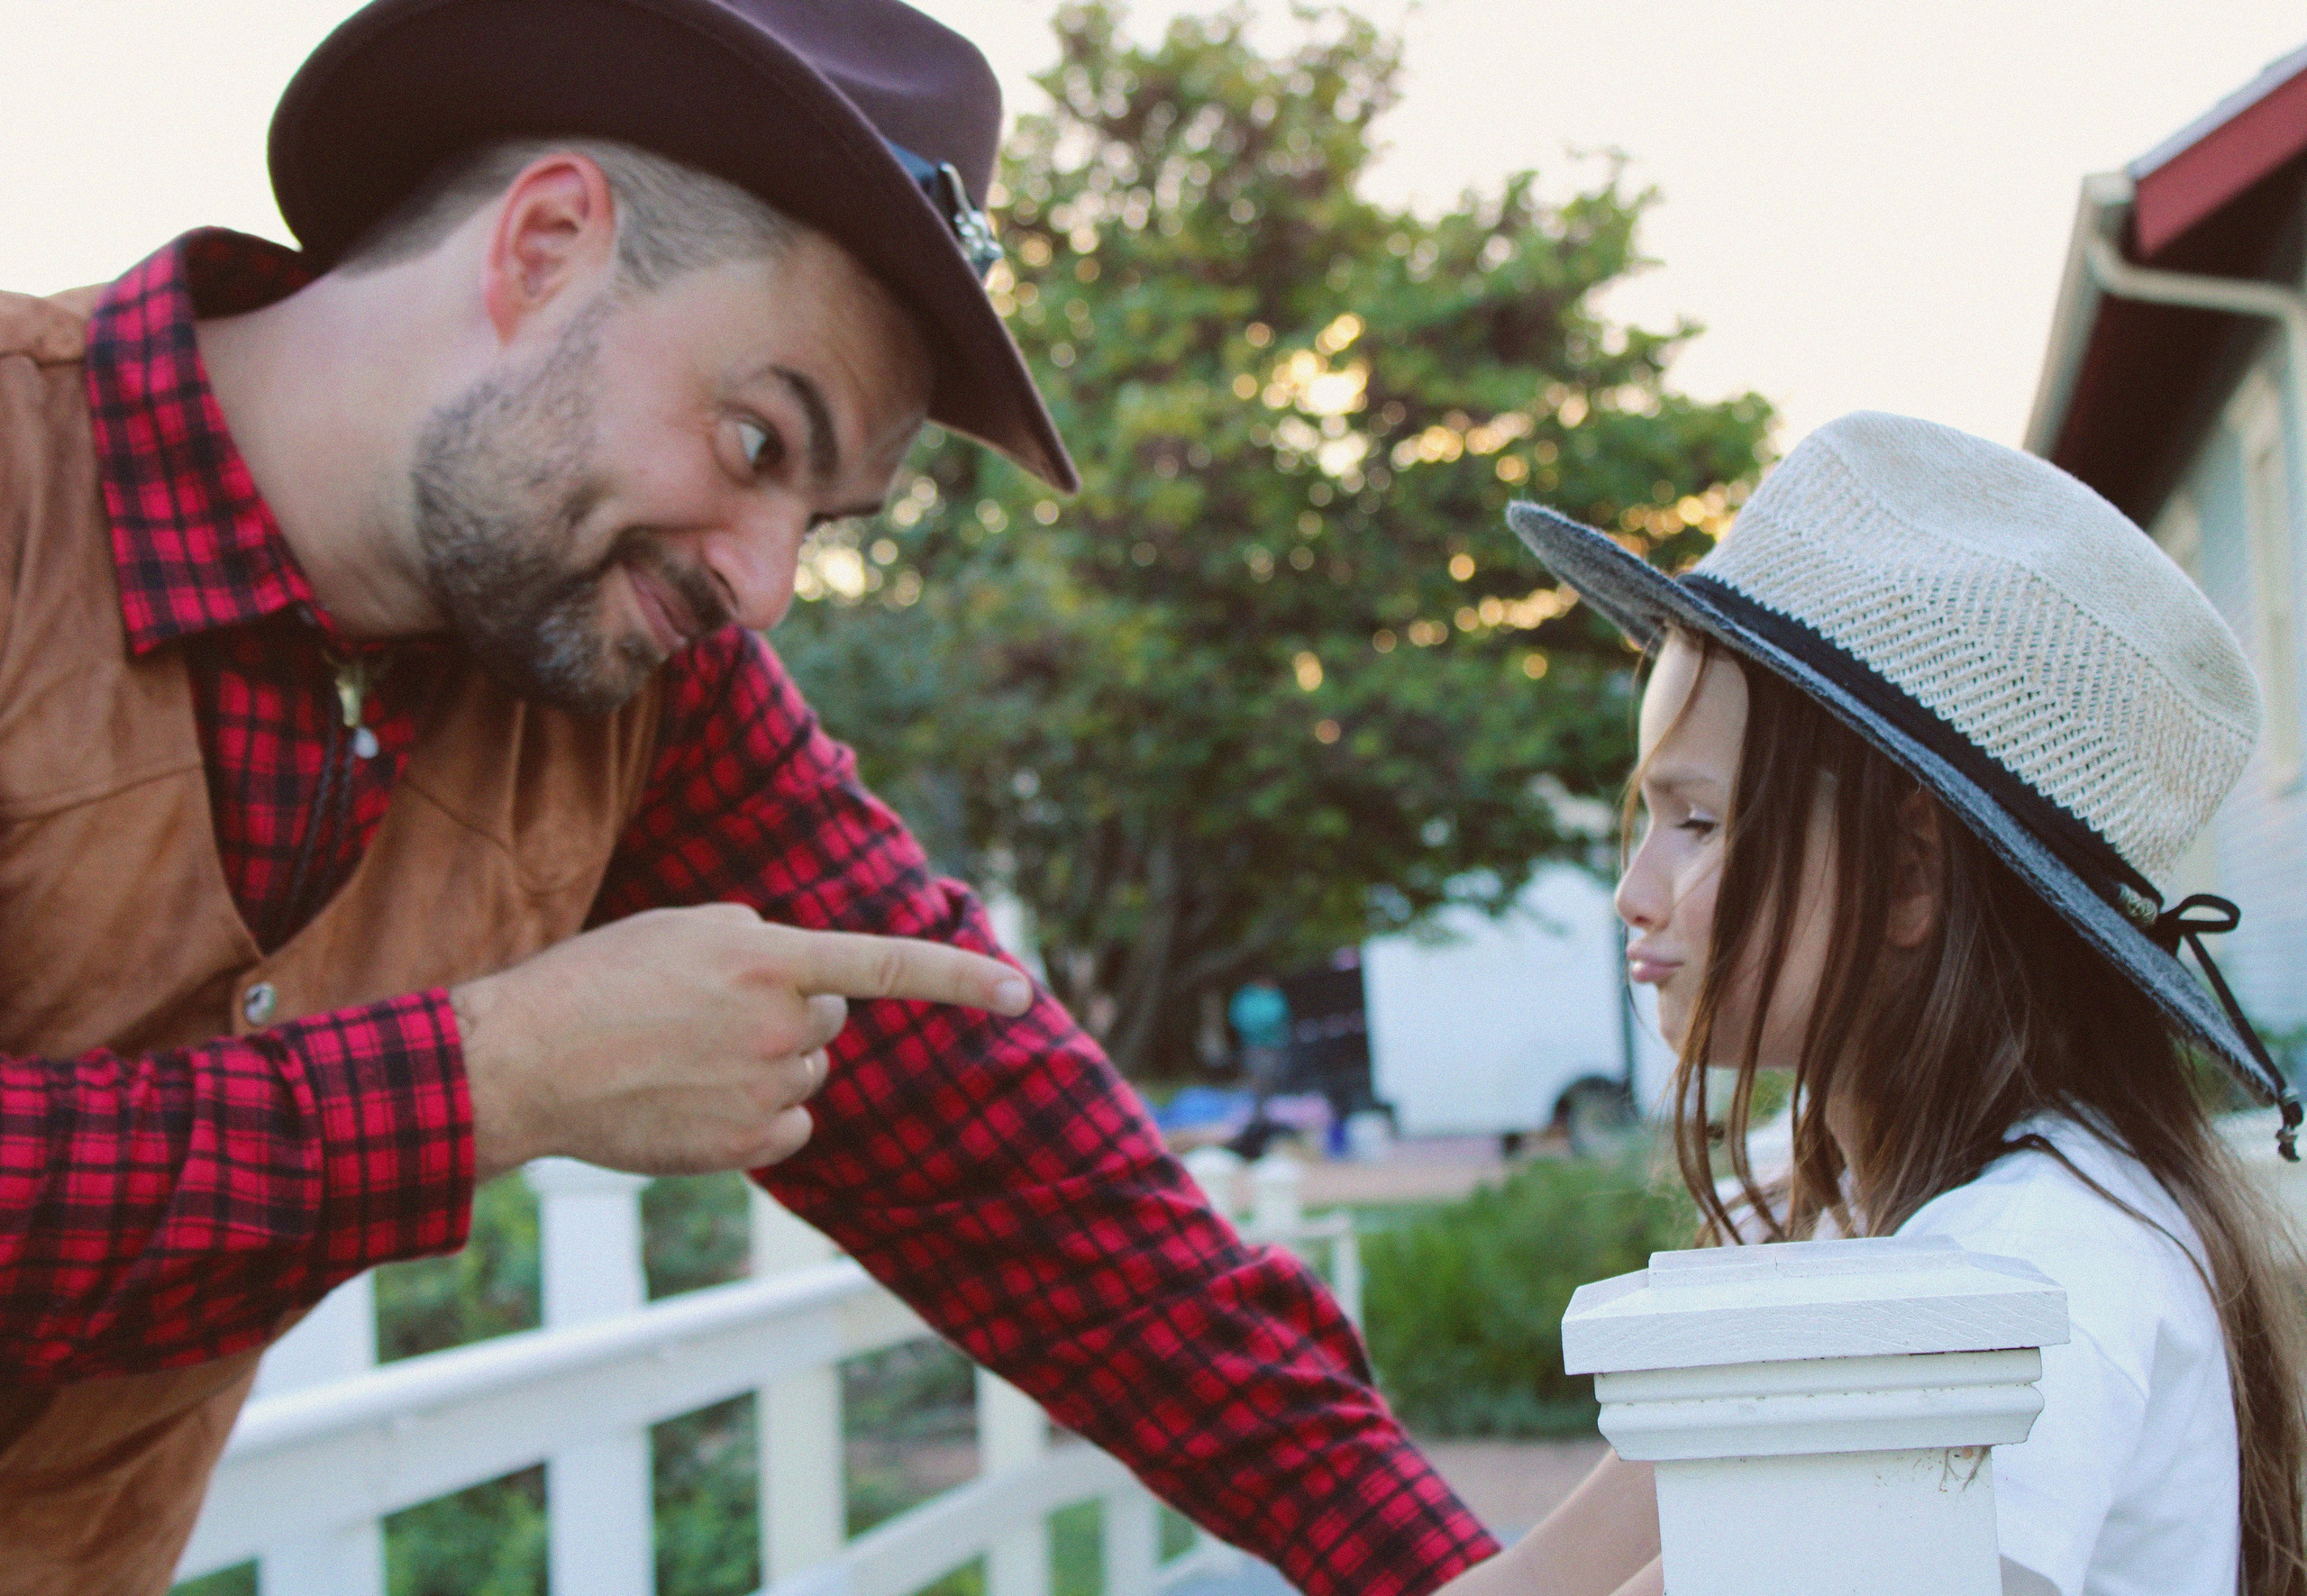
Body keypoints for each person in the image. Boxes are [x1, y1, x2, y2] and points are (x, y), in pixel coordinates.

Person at [0, 3, 1495, 1591]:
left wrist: (1451, 1578)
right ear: (547, 245)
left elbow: (1013, 1167)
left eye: (822, 514)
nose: (766, 583)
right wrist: (487, 1082)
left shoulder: (624, 676)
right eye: (755, 436)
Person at [1443, 412, 2307, 1596]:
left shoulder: (2022, 1279)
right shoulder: (1883, 1232)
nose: (1633, 895)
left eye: (1695, 822)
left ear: (1908, 876)